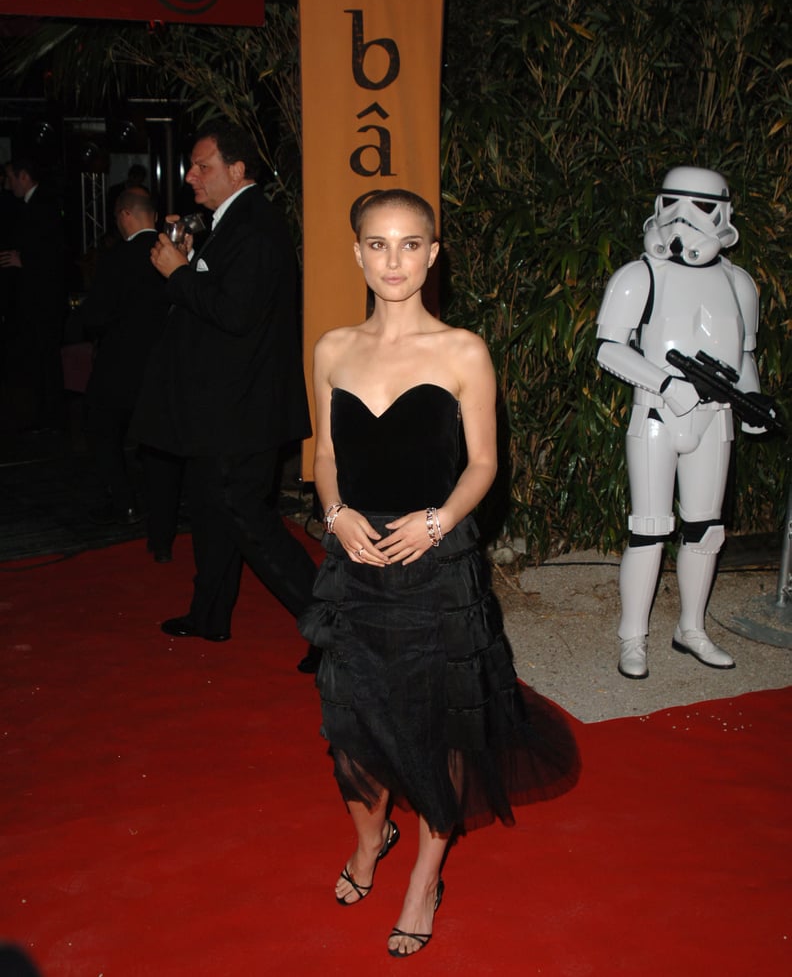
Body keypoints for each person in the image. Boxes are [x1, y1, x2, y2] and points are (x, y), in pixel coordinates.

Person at [299, 189, 580, 958]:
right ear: (357, 253)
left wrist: (437, 521)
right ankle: (372, 835)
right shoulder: (330, 348)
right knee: (349, 726)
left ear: (433, 253)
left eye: (410, 244)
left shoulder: (463, 351)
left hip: (434, 564)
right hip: (354, 563)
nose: (394, 260)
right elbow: (325, 452)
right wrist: (334, 511)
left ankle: (424, 874)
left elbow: (486, 462)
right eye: (378, 244)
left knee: (439, 725)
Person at [130, 120, 319, 658]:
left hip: (244, 407)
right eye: (191, 166)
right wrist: (189, 260)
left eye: (202, 166)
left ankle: (330, 625)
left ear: (237, 170)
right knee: (213, 511)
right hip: (221, 405)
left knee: (248, 517)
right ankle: (209, 614)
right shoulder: (231, 223)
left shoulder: (255, 225)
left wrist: (177, 272)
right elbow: (227, 299)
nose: (190, 176)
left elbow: (235, 314)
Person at [596, 166, 775, 680]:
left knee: (705, 530)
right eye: (673, 206)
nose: (683, 222)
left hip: (716, 419)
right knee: (648, 530)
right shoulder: (639, 275)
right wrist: (666, 384)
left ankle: (691, 628)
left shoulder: (738, 283)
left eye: (699, 209)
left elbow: (743, 355)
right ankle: (633, 636)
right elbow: (609, 348)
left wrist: (753, 403)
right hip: (656, 414)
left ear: (723, 215)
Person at [82, 188, 169, 528]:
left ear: (124, 215)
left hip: (120, 366)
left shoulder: (117, 259)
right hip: (163, 365)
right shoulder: (172, 253)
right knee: (155, 441)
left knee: (101, 429)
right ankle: (160, 504)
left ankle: (124, 501)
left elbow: (95, 315)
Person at [1, 156, 67, 431]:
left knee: (45, 359)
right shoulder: (31, 205)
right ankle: (43, 415)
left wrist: (24, 260)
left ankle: (50, 417)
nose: (7, 184)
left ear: (23, 176)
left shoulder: (43, 205)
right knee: (39, 360)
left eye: (10, 177)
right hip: (36, 299)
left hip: (44, 301)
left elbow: (57, 252)